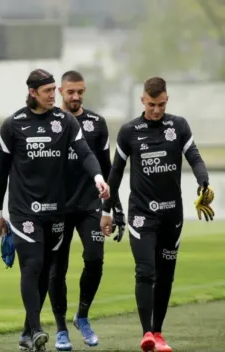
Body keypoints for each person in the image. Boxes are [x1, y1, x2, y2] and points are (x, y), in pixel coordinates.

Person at [0, 69, 110, 352]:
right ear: (33, 92)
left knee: (45, 270)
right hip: (24, 210)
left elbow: (85, 152)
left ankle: (25, 332)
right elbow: (0, 173)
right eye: (47, 91)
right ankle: (35, 331)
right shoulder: (13, 124)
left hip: (56, 211)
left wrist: (97, 177)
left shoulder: (65, 121)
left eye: (53, 90)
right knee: (32, 266)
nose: (52, 96)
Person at [100, 77, 214, 352]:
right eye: (151, 104)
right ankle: (147, 333)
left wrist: (204, 182)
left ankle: (159, 333)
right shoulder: (129, 132)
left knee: (166, 275)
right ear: (143, 101)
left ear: (167, 99)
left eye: (161, 104)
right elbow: (114, 174)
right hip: (141, 214)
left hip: (172, 215)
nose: (156, 110)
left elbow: (195, 158)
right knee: (145, 271)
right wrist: (106, 210)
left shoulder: (179, 126)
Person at [46, 70, 126, 351]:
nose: (76, 96)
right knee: (57, 268)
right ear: (60, 92)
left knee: (94, 259)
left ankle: (82, 316)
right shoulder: (49, 123)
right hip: (56, 208)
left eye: (80, 91)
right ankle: (60, 329)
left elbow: (107, 169)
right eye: (70, 92)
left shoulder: (96, 123)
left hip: (90, 205)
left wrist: (115, 208)